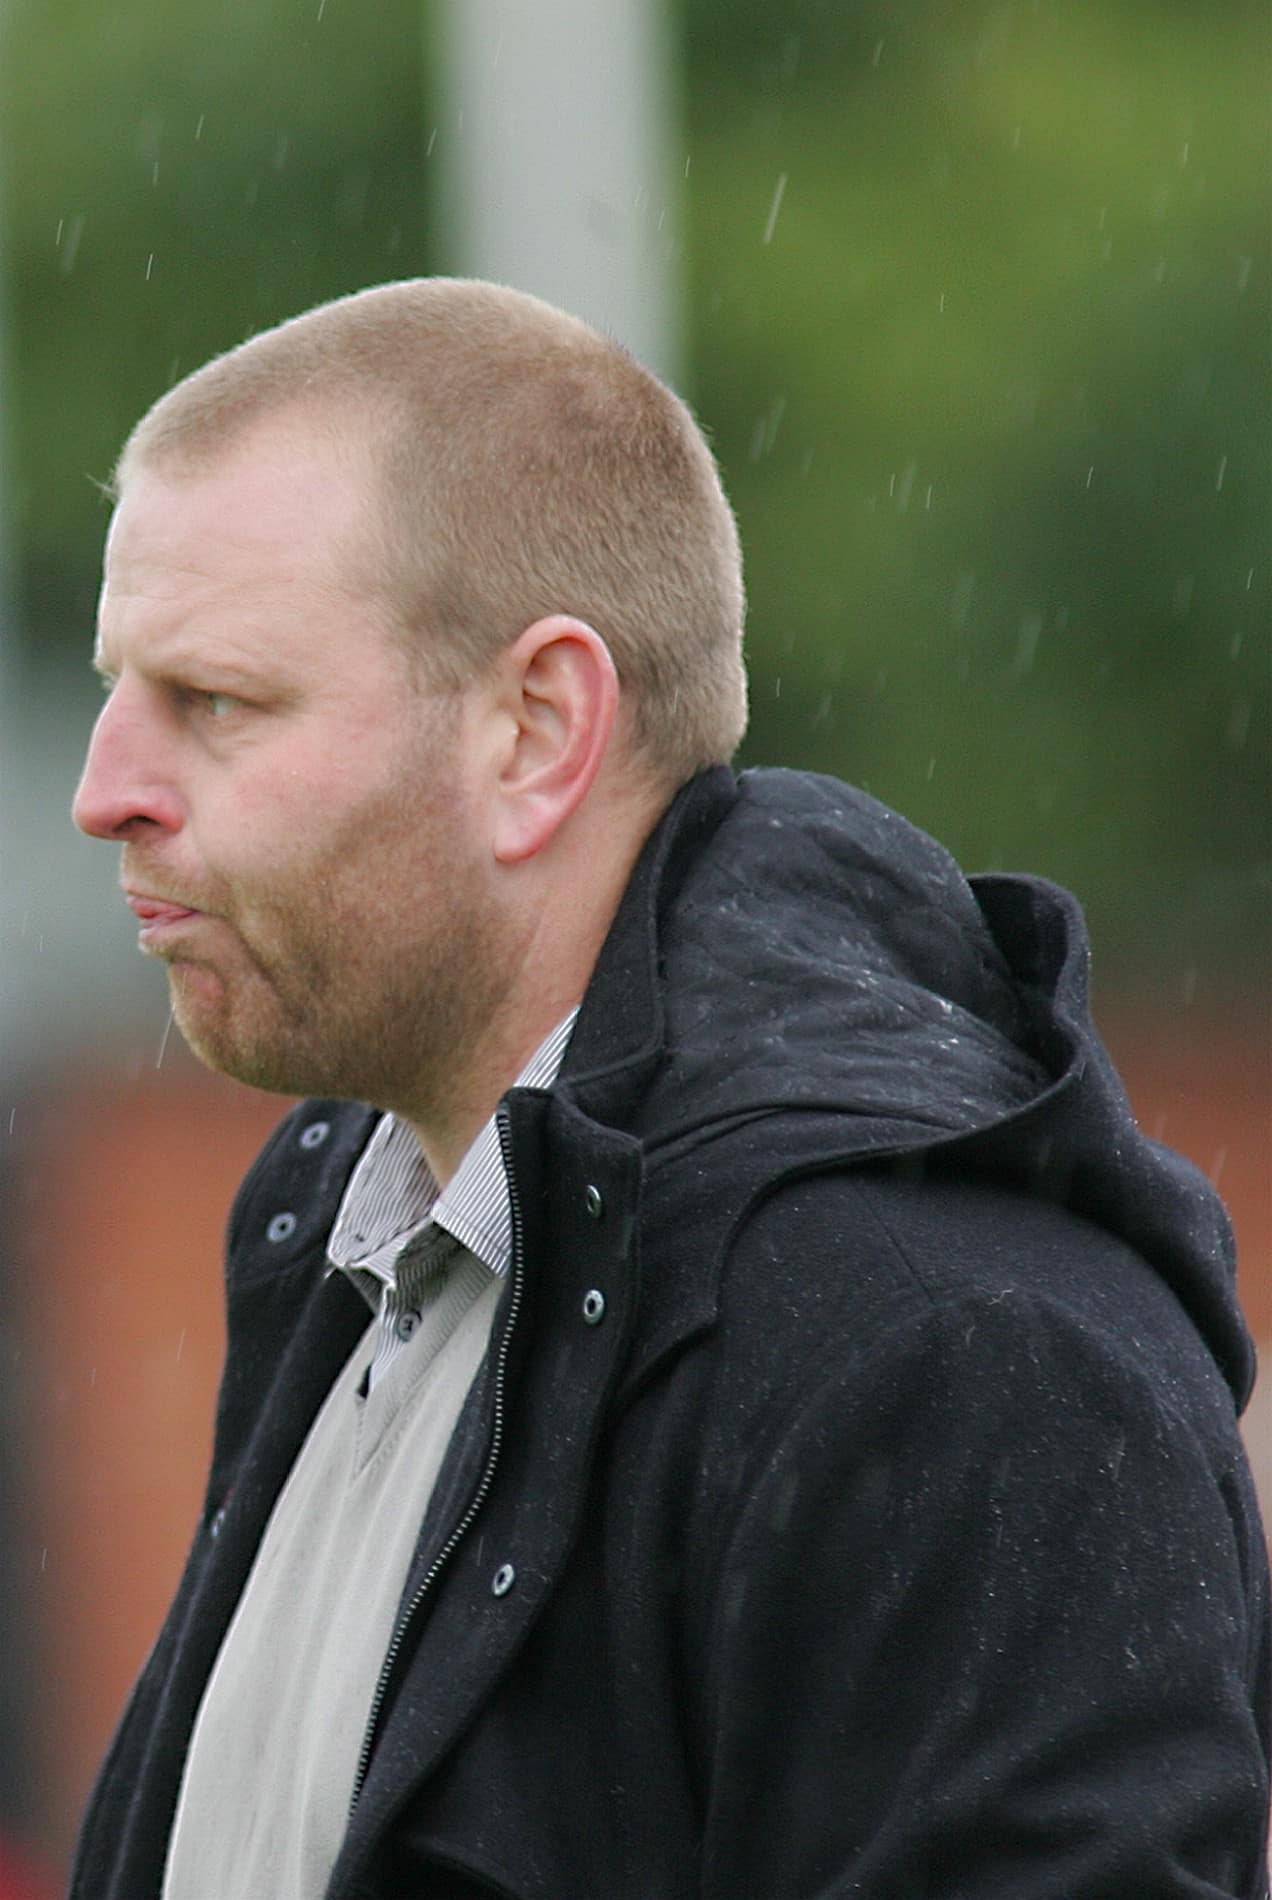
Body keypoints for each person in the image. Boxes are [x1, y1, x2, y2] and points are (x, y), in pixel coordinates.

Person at [70, 277, 1268, 1900]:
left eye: (215, 701)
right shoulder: (346, 1226)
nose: (103, 793)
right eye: (115, 690)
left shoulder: (949, 1352)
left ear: (537, 730)